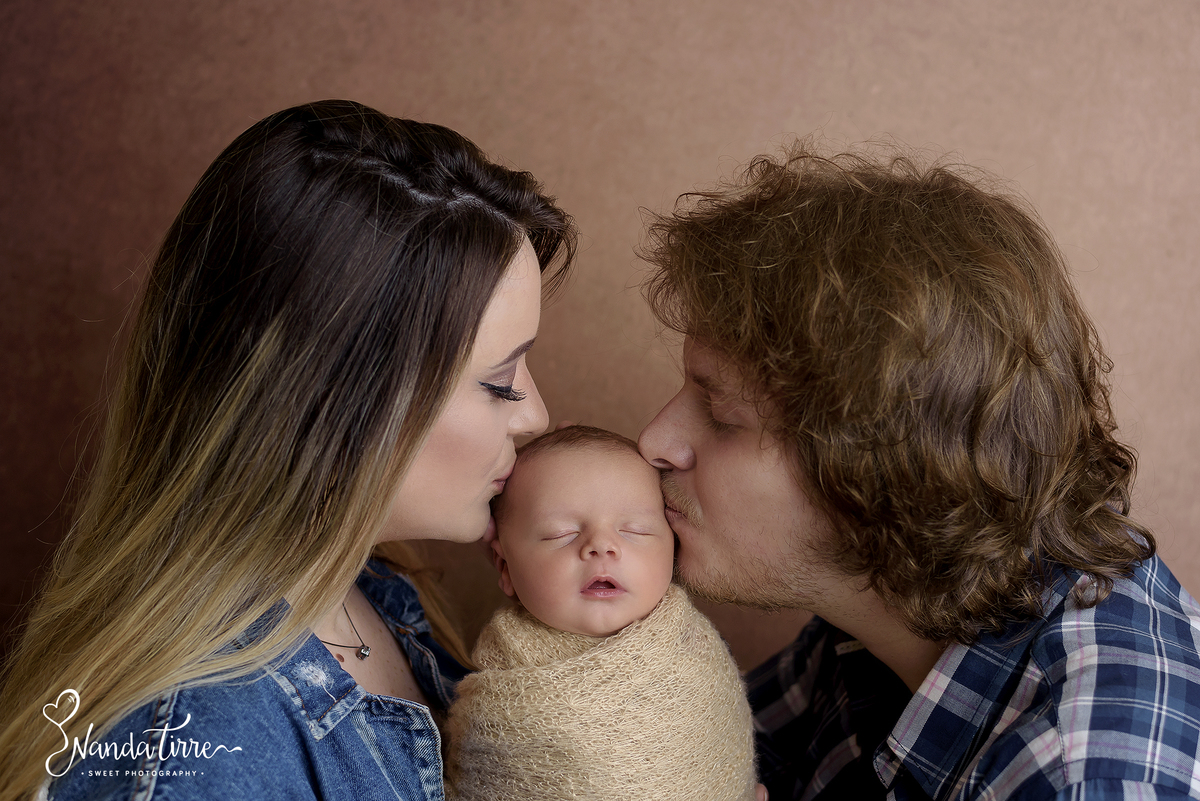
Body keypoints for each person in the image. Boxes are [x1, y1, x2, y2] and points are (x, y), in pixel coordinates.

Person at [0, 99, 576, 801]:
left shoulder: (370, 590)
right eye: (498, 381)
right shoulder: (196, 756)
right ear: (337, 401)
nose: (536, 415)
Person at [636, 143, 1200, 800]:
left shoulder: (1085, 776)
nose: (655, 439)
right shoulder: (885, 596)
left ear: (873, 469)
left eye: (719, 410)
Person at [445, 425, 759, 801]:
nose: (601, 546)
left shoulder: (696, 653)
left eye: (635, 530)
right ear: (505, 568)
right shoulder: (499, 695)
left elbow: (726, 755)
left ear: (674, 550)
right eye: (560, 533)